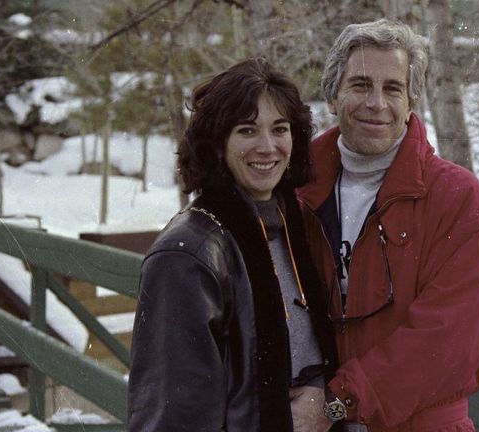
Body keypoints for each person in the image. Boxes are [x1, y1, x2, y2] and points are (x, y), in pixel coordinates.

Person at [296, 19, 479, 432]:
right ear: (333, 95)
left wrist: (337, 404)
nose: (376, 102)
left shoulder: (456, 198)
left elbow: (449, 341)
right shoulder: (299, 190)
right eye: (360, 85)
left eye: (392, 88)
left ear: (411, 101)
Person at [127, 58, 337, 432]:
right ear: (217, 143)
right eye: (246, 130)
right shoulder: (187, 254)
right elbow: (172, 416)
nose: (267, 146)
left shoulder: (293, 226)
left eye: (280, 129)